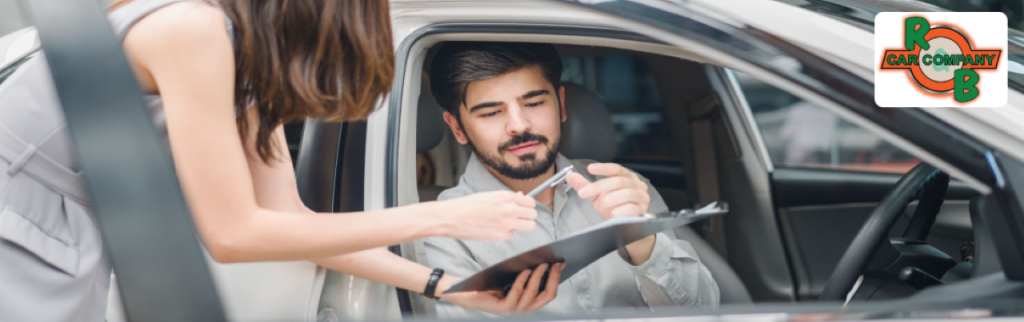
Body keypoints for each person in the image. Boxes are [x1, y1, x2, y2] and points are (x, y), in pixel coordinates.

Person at [0, 1, 558, 321]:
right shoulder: (193, 29)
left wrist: (446, 284)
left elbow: (293, 226)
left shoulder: (239, 61)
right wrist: (441, 216)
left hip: (63, 240)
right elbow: (232, 235)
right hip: (21, 233)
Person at [424, 42, 721, 318]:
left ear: (561, 104)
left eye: (534, 103)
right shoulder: (444, 228)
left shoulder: (622, 188)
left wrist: (643, 240)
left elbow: (704, 312)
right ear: (457, 127)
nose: (519, 125)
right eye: (491, 112)